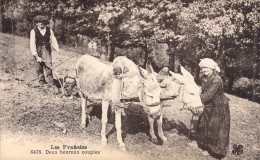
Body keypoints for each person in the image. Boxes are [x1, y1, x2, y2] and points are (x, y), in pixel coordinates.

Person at [196, 58, 230, 159]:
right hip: (208, 105)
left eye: (206, 67)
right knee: (205, 125)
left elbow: (208, 95)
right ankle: (207, 148)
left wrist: (195, 100)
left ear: (212, 68)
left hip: (219, 106)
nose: (204, 69)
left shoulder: (217, 79)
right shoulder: (204, 78)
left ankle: (217, 152)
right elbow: (203, 91)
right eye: (202, 68)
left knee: (216, 128)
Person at [30, 15, 60, 86]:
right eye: (39, 22)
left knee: (48, 64)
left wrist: (57, 49)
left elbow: (53, 40)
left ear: (45, 22)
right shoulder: (33, 31)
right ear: (36, 23)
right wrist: (36, 55)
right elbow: (32, 44)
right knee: (39, 66)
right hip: (38, 50)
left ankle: (50, 81)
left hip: (46, 50)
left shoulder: (49, 30)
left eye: (43, 22)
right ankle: (41, 81)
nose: (41, 23)